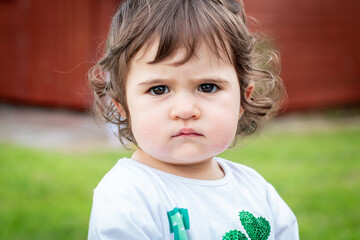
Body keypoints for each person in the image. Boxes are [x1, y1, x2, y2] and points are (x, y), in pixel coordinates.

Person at [88, 0, 299, 239]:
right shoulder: (128, 196)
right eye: (159, 89)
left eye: (207, 87)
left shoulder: (258, 192)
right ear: (122, 105)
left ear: (242, 99)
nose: (185, 110)